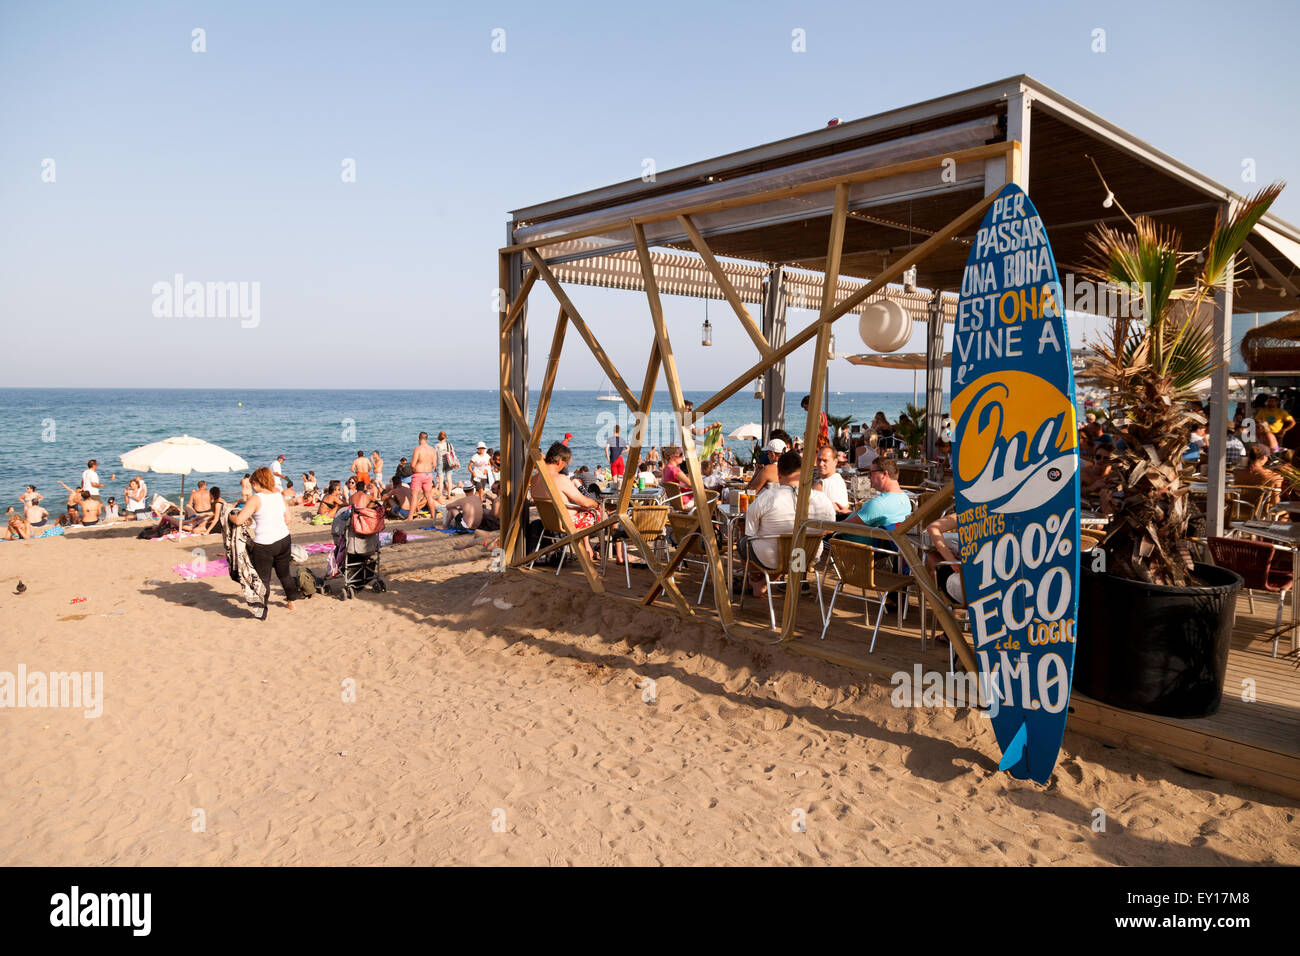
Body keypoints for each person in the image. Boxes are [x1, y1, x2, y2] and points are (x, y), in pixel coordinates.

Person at [741, 450, 835, 597]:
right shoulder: (821, 499)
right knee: (785, 549)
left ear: (779, 475)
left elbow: (750, 532)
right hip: (807, 557)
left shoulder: (767, 497)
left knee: (744, 543)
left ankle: (755, 580)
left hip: (770, 558)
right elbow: (830, 529)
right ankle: (765, 582)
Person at [228, 467, 300, 616]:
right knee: (284, 574)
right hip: (284, 539)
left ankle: (262, 608)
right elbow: (289, 519)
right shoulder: (278, 494)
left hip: (265, 544)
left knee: (263, 579)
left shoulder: (256, 498)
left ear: (256, 482)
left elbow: (239, 520)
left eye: (253, 483)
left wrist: (229, 515)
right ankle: (292, 602)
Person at [530, 441, 601, 561]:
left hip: (549, 523)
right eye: (565, 464)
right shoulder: (561, 479)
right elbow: (585, 502)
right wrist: (597, 504)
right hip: (567, 523)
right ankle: (608, 553)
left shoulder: (534, 479)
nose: (565, 466)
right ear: (559, 461)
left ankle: (588, 548)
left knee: (585, 512)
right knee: (602, 513)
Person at [841, 458, 912, 532]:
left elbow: (838, 527)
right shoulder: (905, 499)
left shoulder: (877, 504)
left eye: (871, 473)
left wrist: (827, 525)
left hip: (843, 542)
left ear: (884, 474)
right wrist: (851, 513)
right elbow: (875, 515)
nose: (868, 477)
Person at [814, 444, 852, 517]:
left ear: (835, 462)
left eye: (825, 461)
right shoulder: (839, 479)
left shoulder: (822, 484)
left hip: (826, 525)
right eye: (819, 460)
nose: (821, 464)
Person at [412, 431, 440, 516]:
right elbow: (434, 465)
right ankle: (432, 515)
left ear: (418, 439)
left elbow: (413, 464)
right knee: (428, 496)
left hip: (419, 474)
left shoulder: (418, 449)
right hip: (428, 474)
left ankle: (410, 517)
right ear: (427, 439)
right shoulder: (432, 450)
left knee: (414, 495)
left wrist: (414, 470)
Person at [433, 431, 455, 497]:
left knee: (441, 479)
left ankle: (440, 494)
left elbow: (435, 456)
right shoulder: (449, 444)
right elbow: (453, 454)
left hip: (440, 463)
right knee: (449, 478)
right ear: (445, 437)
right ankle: (449, 493)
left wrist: (434, 466)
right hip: (449, 462)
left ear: (438, 437)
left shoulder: (436, 445)